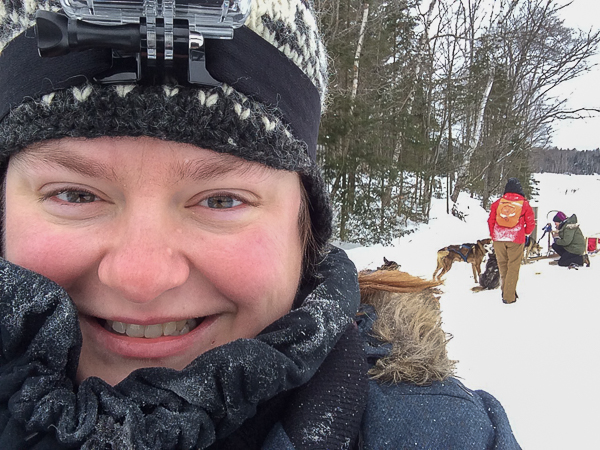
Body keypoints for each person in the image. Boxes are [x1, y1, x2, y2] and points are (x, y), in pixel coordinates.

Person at [0, 0, 520, 448]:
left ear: (304, 230)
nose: (142, 278)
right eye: (74, 194)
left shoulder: (450, 436)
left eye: (222, 199)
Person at [488, 178, 535, 304]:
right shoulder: (524, 204)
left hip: (499, 238)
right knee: (513, 267)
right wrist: (525, 232)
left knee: (503, 266)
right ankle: (509, 298)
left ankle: (506, 291)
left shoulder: (498, 203)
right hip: (515, 238)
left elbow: (491, 221)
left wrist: (494, 235)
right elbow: (531, 222)